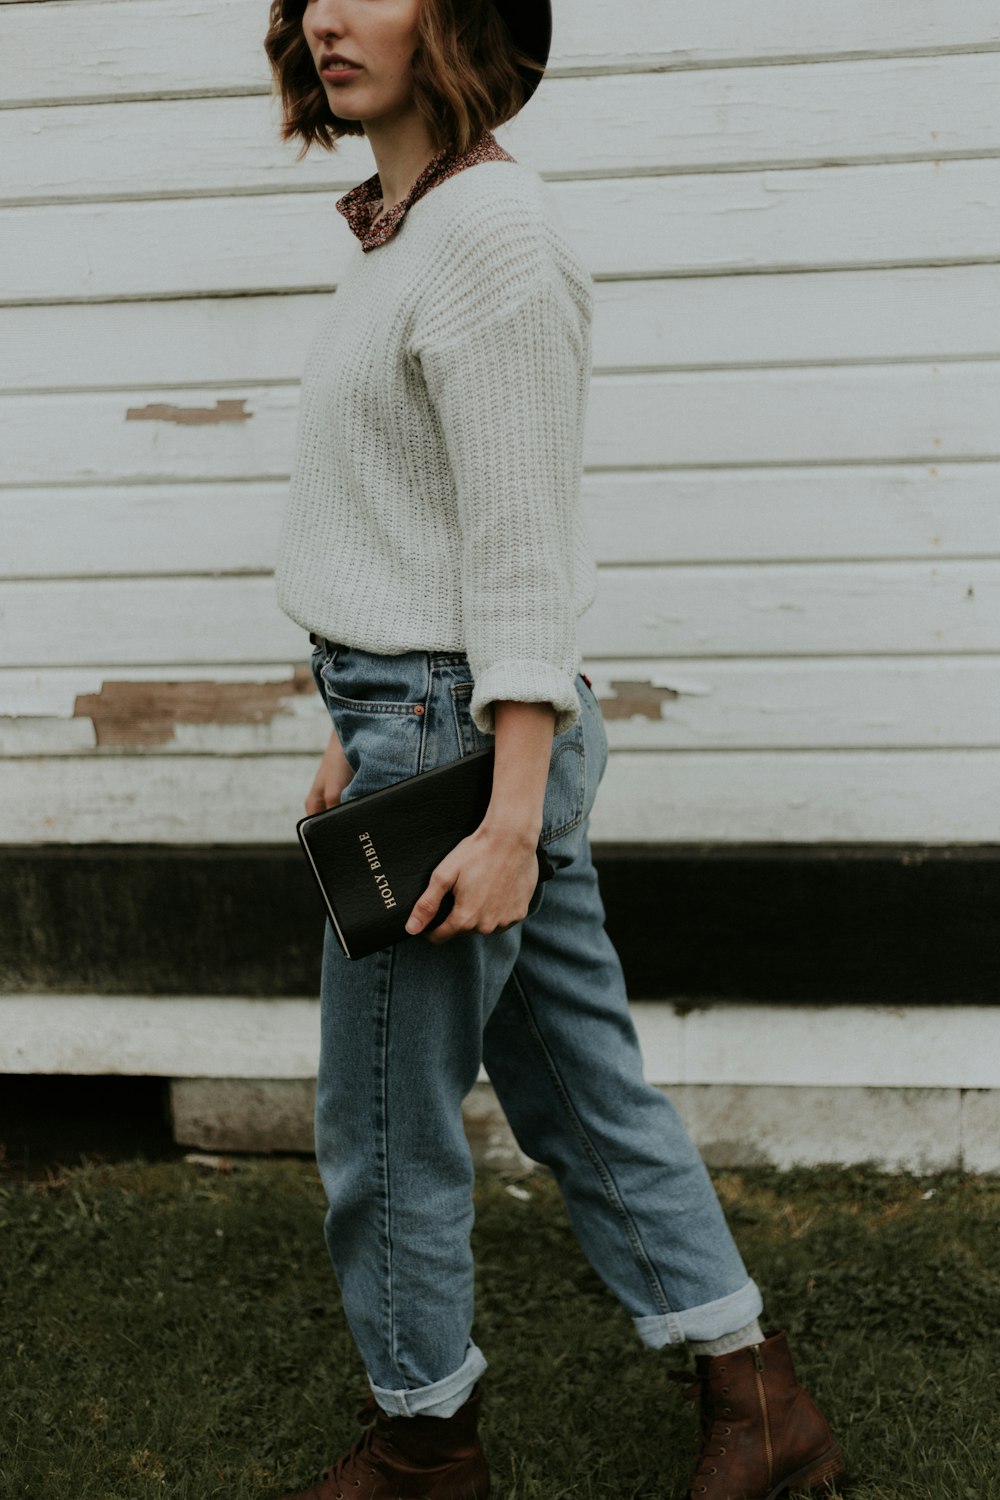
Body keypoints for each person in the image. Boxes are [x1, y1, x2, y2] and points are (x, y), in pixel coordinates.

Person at [263, 2, 844, 1497]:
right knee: (584, 1083)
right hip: (427, 729)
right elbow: (418, 518)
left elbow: (521, 547)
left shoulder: (494, 233)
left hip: (461, 749)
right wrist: (353, 725)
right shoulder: (411, 227)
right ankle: (755, 1394)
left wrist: (504, 810)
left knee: (383, 1128)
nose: (326, 10)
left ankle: (421, 1452)